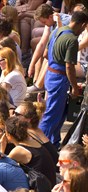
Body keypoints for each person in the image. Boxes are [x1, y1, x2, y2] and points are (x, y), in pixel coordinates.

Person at [38, 11, 88, 147]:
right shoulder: (72, 40)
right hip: (59, 79)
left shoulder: (57, 31)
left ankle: (53, 144)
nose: (83, 30)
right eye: (84, 27)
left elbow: (45, 55)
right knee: (51, 115)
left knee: (59, 115)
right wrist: (74, 87)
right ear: (82, 24)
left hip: (50, 75)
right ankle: (40, 145)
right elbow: (69, 67)